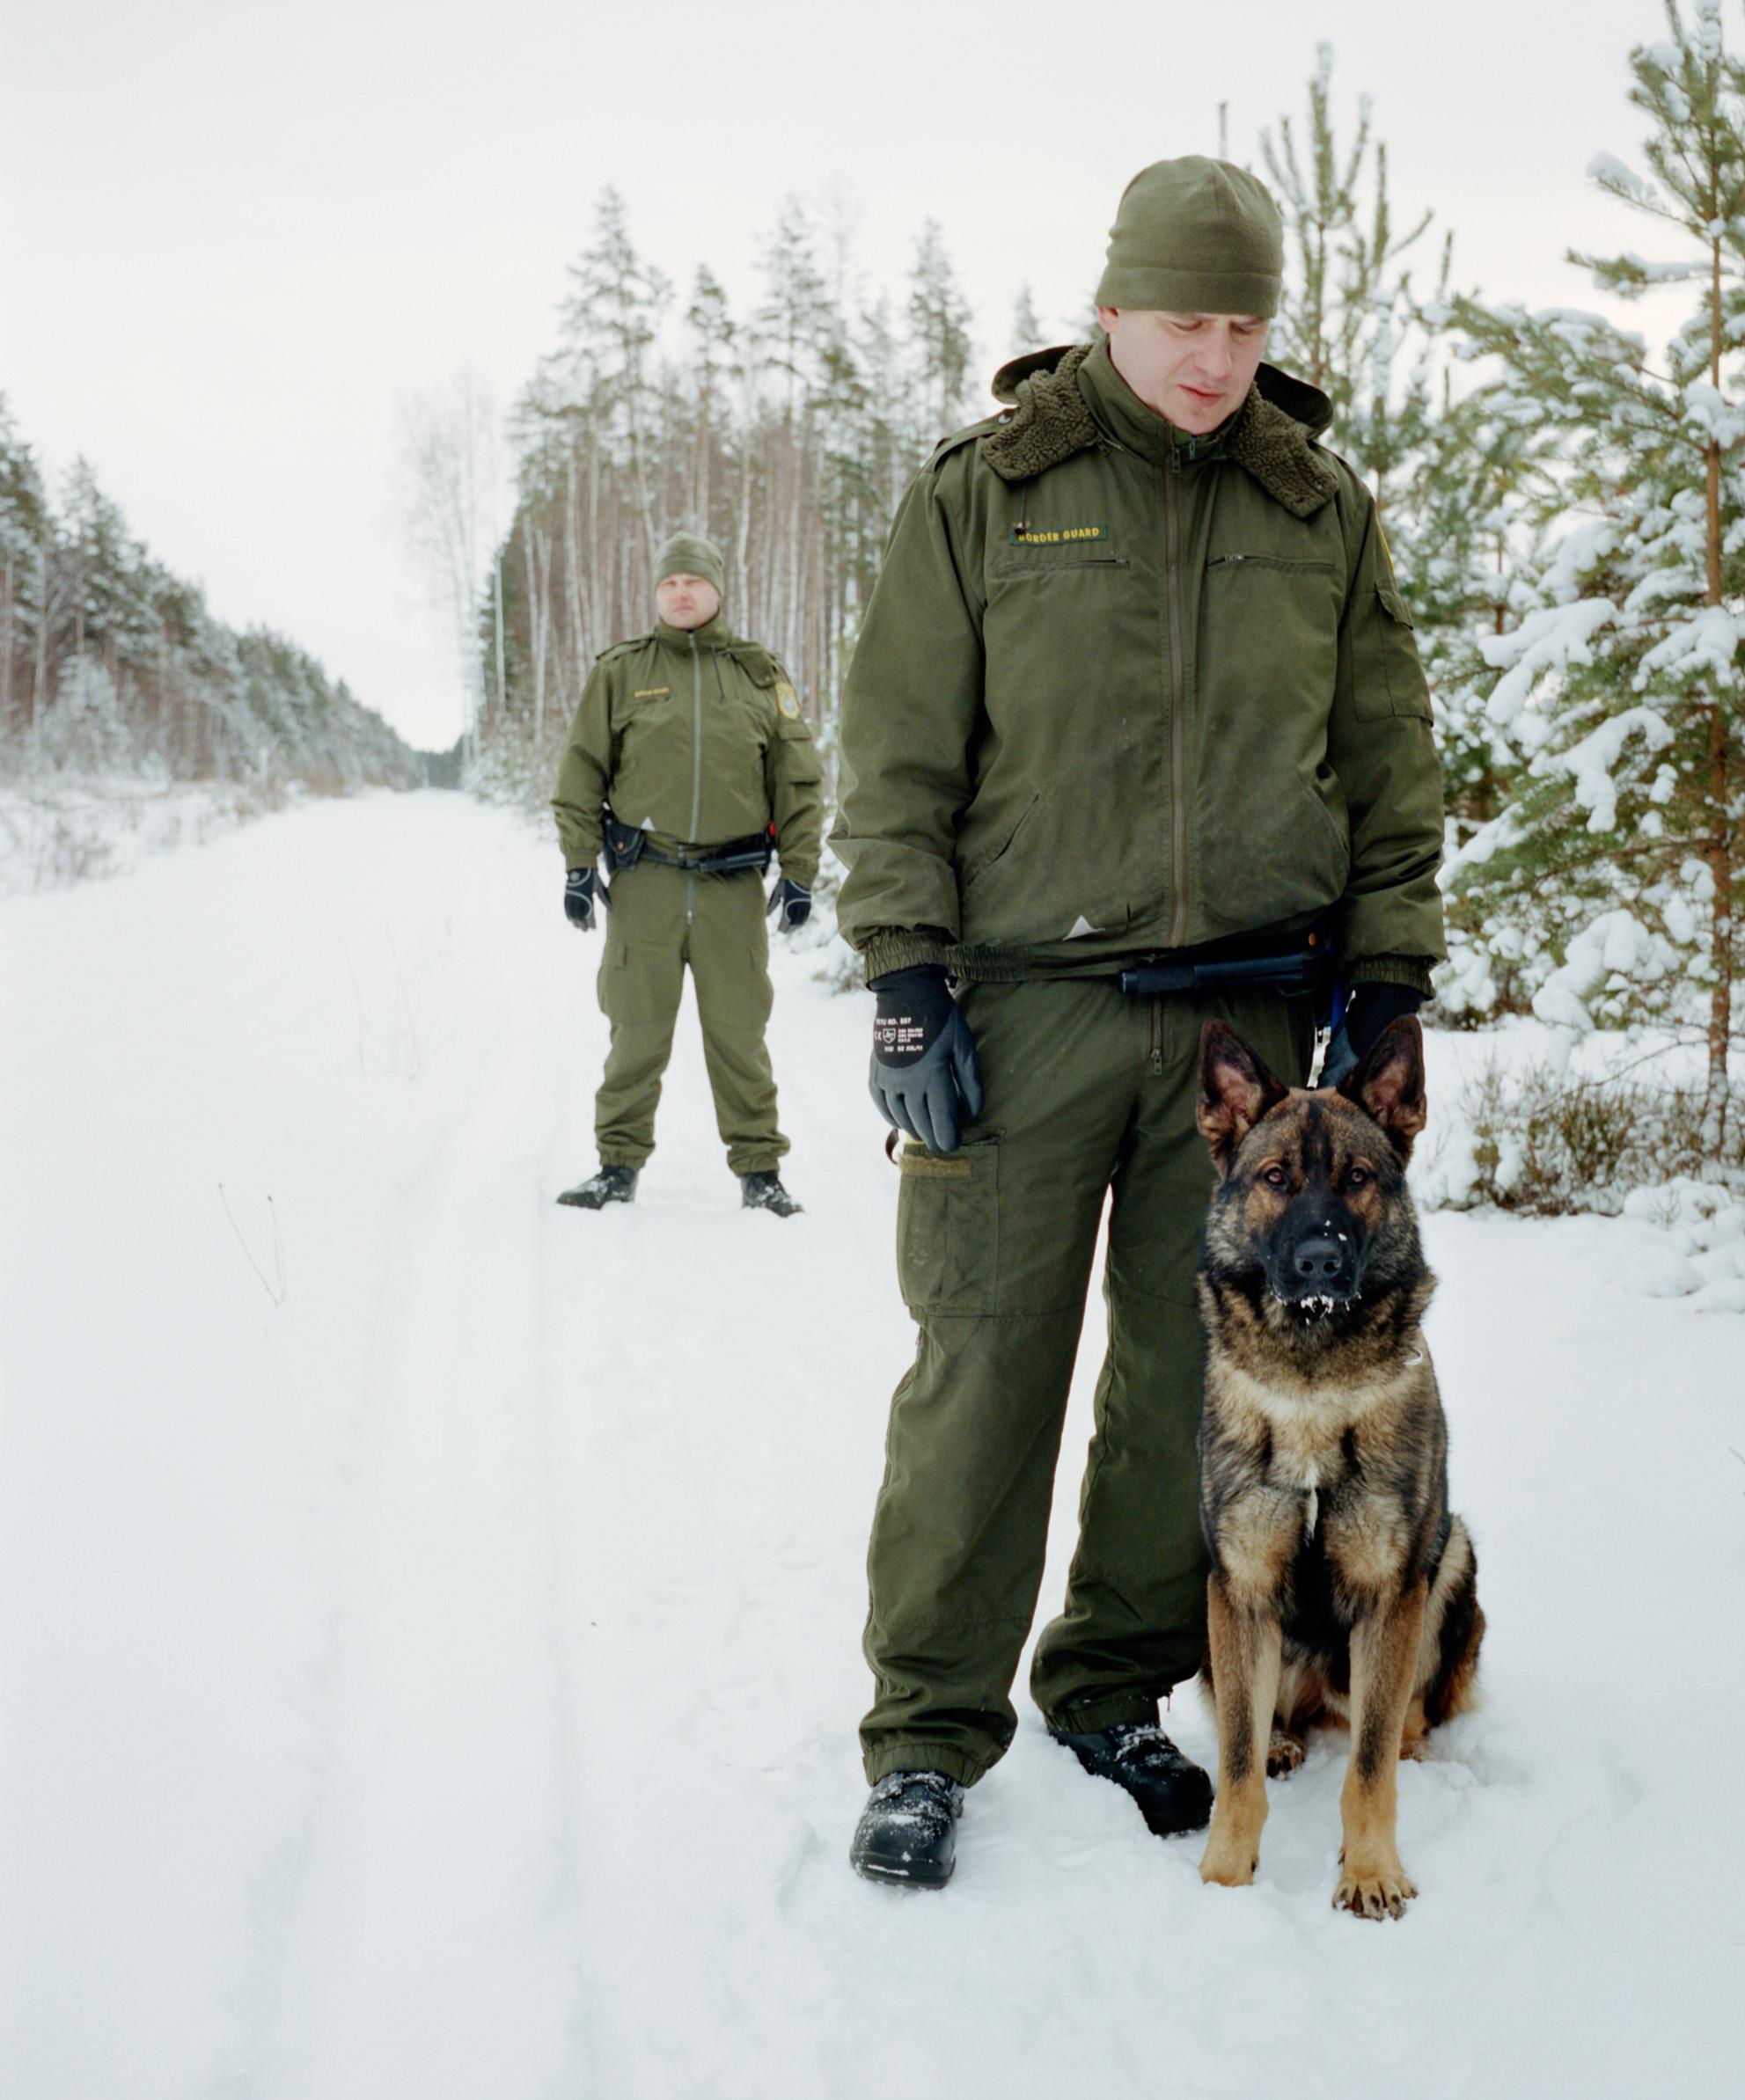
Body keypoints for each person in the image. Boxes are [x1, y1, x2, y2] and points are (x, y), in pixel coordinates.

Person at [830, 157, 1448, 1886]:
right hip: (1018, 1011)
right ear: (1109, 306)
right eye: (1185, 318)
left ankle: (1112, 1677)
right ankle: (925, 1732)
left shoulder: (1314, 507)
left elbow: (1390, 763)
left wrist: (1385, 972)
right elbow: (892, 754)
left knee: (1194, 1383)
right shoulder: (986, 491)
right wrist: (902, 974)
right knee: (981, 1369)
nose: (1213, 356)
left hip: (1247, 1029)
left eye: (1243, 322)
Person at [551, 530, 822, 1218]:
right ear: (656, 593)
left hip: (732, 887)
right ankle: (616, 1165)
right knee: (635, 1031)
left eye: (693, 582)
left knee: (740, 1035)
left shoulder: (759, 673)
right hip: (647, 882)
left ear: (717, 590)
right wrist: (579, 866)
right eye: (669, 583)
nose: (680, 592)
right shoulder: (620, 671)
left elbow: (796, 781)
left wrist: (799, 874)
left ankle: (760, 1171)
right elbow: (580, 773)